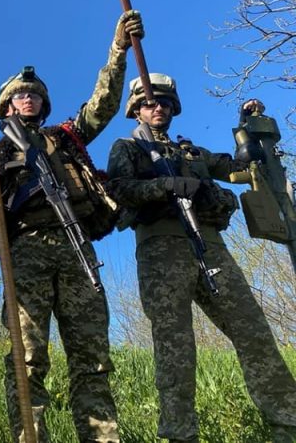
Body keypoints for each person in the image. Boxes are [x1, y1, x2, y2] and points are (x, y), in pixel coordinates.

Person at [0, 10, 144, 443]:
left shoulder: (66, 137)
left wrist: (117, 50)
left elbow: (103, 106)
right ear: (7, 105)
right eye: (19, 95)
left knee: (92, 357)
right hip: (25, 251)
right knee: (27, 360)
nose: (28, 99)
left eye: (35, 95)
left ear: (44, 104)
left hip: (76, 247)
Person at [106, 73, 296, 443]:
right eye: (147, 102)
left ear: (172, 107)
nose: (156, 107)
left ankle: (288, 422)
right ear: (136, 110)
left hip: (211, 248)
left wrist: (249, 128)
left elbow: (239, 169)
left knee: (253, 331)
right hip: (161, 249)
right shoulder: (127, 149)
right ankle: (180, 435)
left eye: (162, 102)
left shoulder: (192, 153)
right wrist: (167, 185)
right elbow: (118, 189)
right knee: (175, 346)